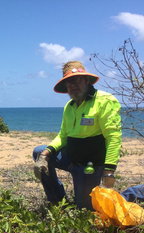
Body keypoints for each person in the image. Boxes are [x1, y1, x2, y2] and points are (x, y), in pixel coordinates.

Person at [33, 61, 122, 210]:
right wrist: (45, 154)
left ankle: (135, 192)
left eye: (76, 80)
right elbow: (63, 135)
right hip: (71, 158)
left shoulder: (105, 100)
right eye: (68, 82)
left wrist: (109, 172)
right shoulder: (70, 106)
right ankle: (57, 201)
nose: (72, 85)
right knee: (39, 151)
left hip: (90, 165)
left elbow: (113, 137)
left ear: (86, 80)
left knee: (85, 209)